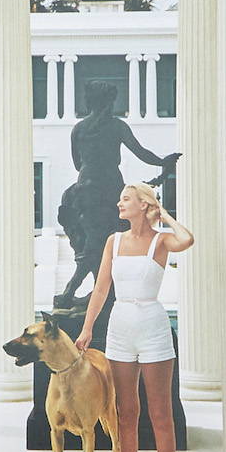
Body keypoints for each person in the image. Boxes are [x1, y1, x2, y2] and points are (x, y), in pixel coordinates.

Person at [81, 180, 194, 452]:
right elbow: (100, 290)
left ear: (144, 205)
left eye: (126, 199)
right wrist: (88, 328)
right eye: (120, 199)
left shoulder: (161, 241)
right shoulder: (113, 242)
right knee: (125, 413)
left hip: (153, 328)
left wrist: (166, 215)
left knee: (161, 414)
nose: (119, 204)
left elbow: (187, 239)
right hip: (120, 329)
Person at [54, 82, 177, 306]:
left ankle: (89, 292)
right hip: (109, 186)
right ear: (109, 101)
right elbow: (140, 152)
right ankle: (70, 292)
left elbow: (76, 163)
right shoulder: (117, 126)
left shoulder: (79, 129)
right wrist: (162, 162)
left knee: (97, 242)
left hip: (84, 187)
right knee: (103, 242)